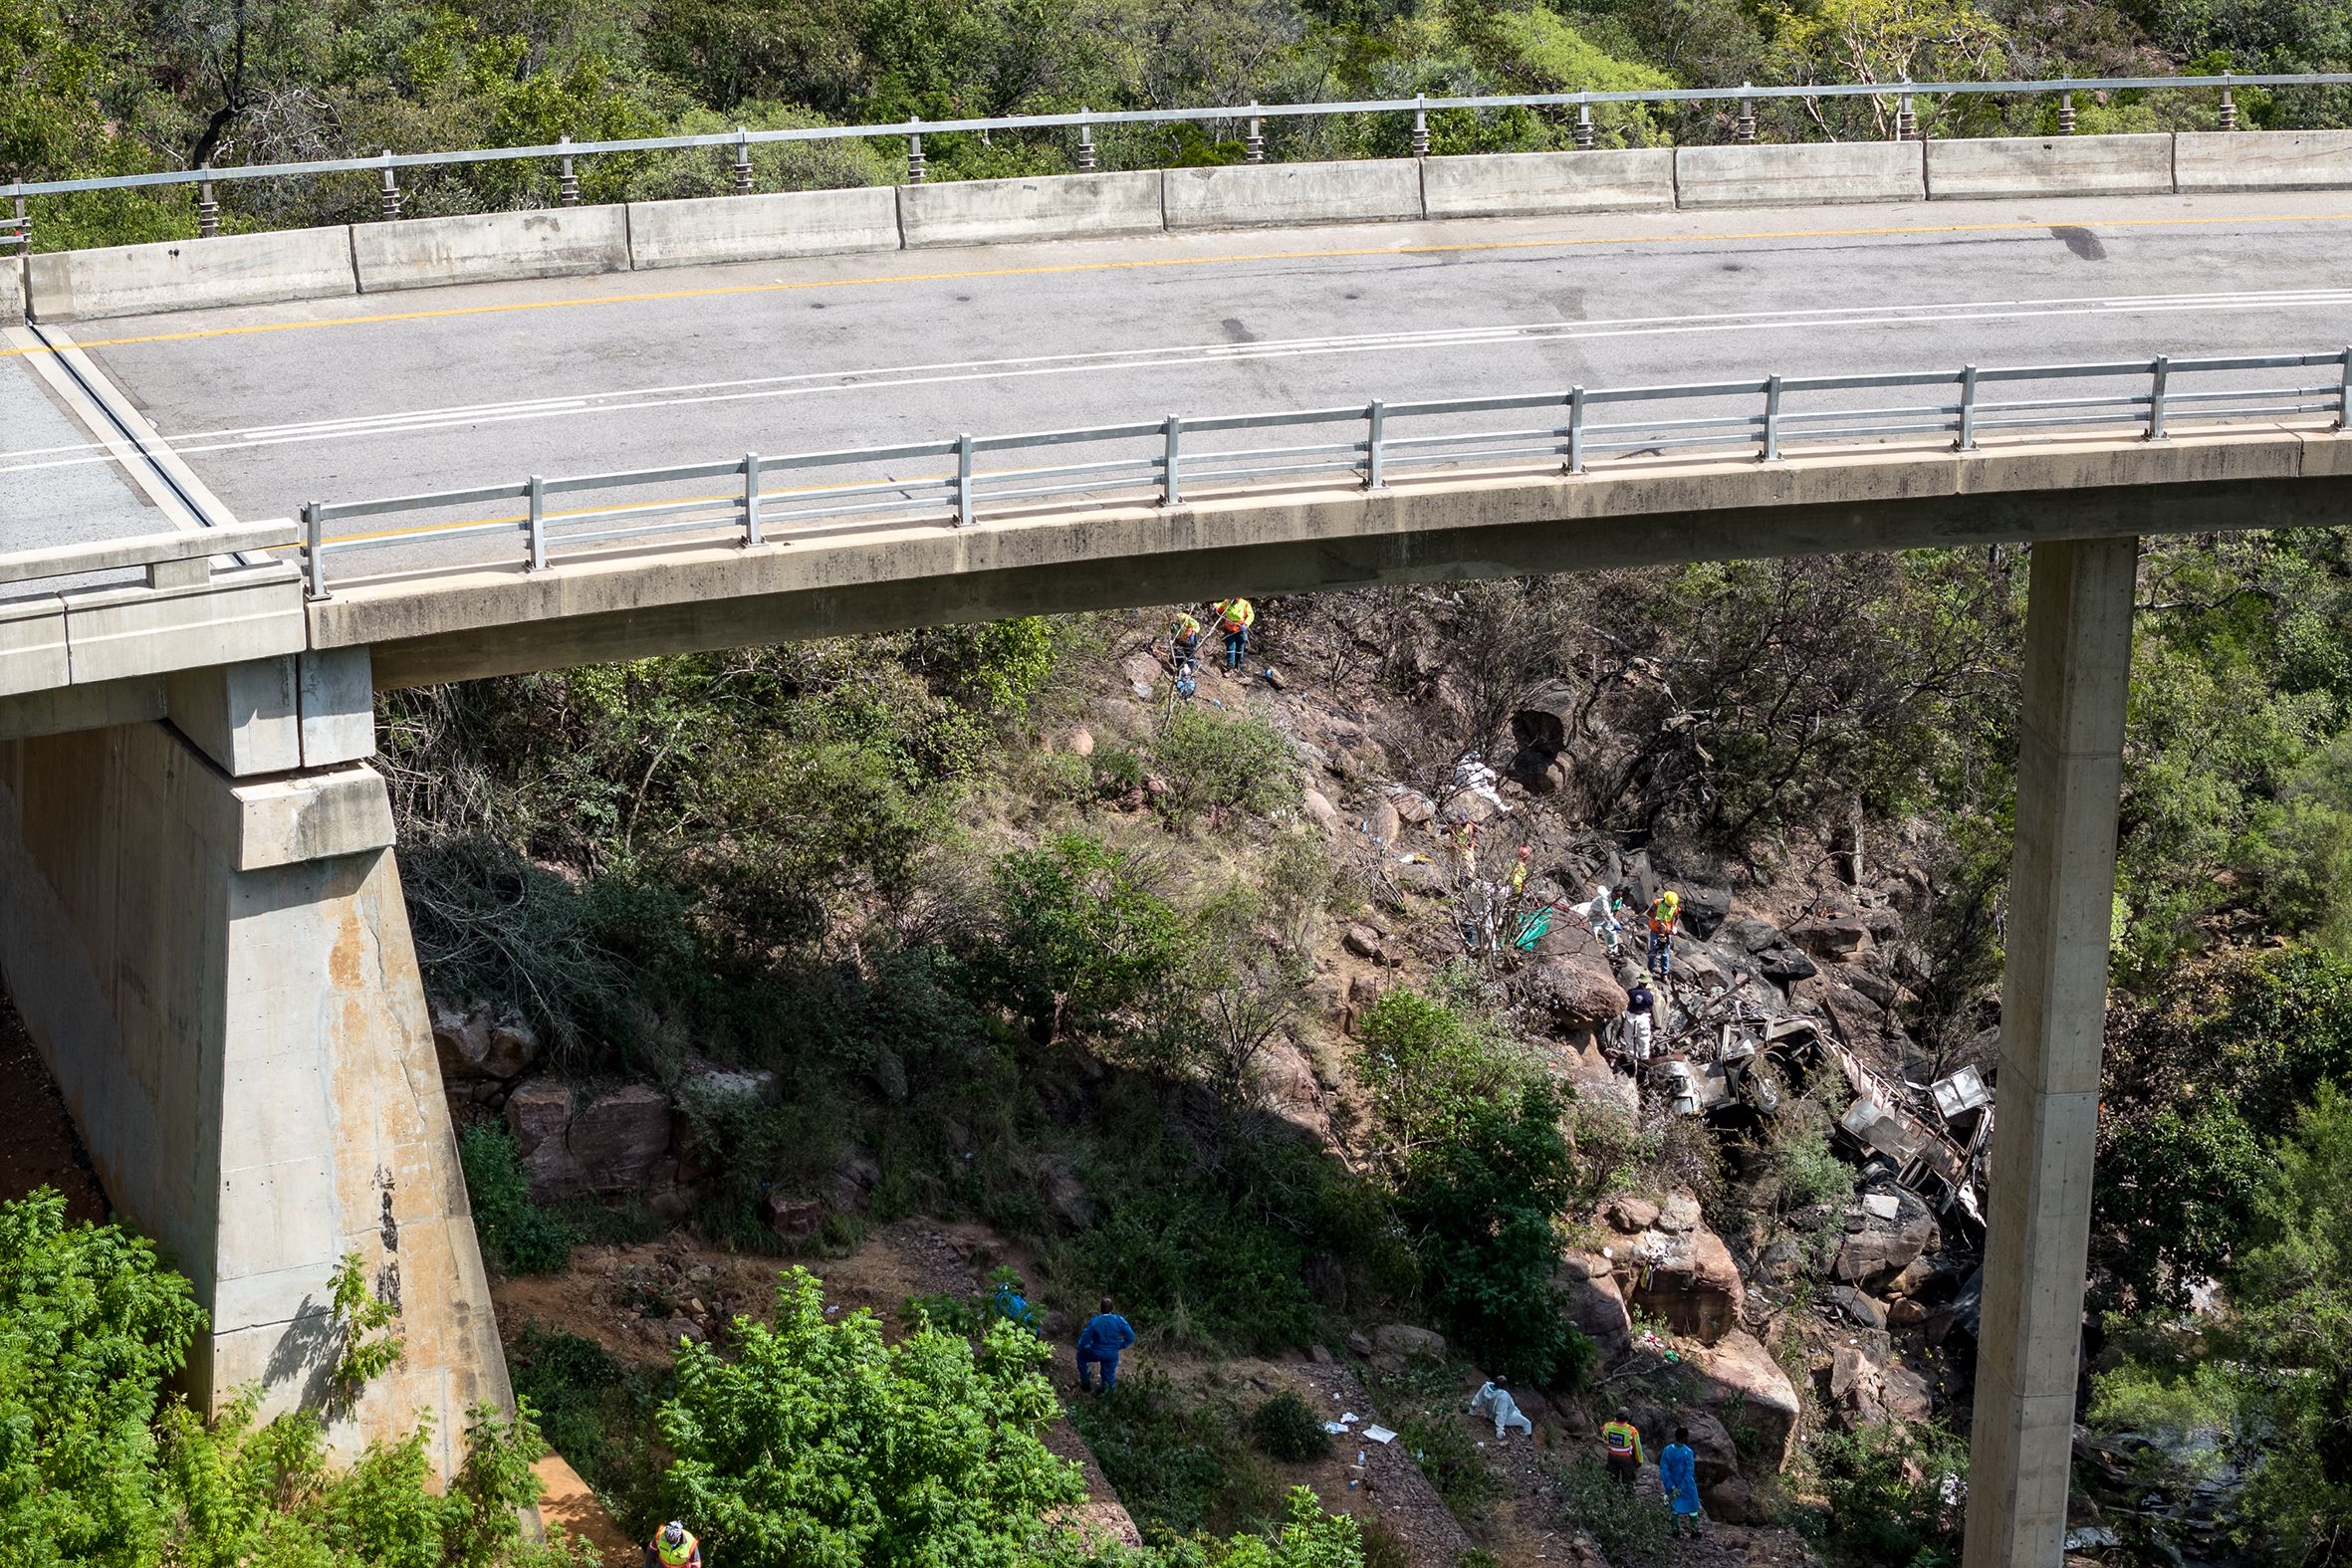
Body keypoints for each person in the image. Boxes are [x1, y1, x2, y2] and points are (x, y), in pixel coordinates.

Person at [1076, 1298, 1136, 1393]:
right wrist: (1120, 1345)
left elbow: (1084, 1339)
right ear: (1112, 1308)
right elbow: (1131, 1337)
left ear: (1100, 1308)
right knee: (1109, 1375)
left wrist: (1082, 1347)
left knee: (1081, 1357)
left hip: (1095, 1351)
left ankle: (1085, 1383)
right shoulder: (1119, 1320)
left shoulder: (1095, 1321)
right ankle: (1107, 1397)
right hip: (1111, 1353)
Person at [1659, 1426, 1703, 1536]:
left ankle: (1675, 1529)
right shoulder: (1688, 1452)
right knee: (1693, 1507)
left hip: (1671, 1484)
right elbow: (1689, 1472)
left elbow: (1664, 1470)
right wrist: (1681, 1487)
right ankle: (1694, 1530)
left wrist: (1671, 1485)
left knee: (1673, 1506)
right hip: (1687, 1486)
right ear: (1684, 1438)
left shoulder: (1667, 1450)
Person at [1469, 1378, 1534, 1441]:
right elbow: (1501, 1413)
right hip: (1508, 1417)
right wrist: (1499, 1430)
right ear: (1503, 1385)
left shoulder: (1486, 1386)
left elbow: (1477, 1398)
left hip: (1490, 1413)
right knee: (1527, 1423)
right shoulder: (1503, 1395)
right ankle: (1529, 1440)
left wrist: (1472, 1408)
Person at [1572, 882, 1622, 956]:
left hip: (1605, 917)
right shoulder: (1604, 899)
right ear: (1613, 892)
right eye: (1617, 896)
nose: (1618, 898)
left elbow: (1613, 910)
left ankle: (1613, 951)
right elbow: (1607, 912)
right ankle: (1591, 951)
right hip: (1595, 916)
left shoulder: (1617, 899)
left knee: (1611, 932)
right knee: (1593, 933)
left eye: (1619, 896)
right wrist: (1615, 922)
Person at [1601, 1411, 1645, 1492]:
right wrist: (1639, 1461)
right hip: (1626, 1459)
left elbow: (1604, 1436)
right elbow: (1637, 1447)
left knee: (1611, 1480)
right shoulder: (1632, 1430)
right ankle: (1628, 1501)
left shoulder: (1607, 1426)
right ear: (1627, 1419)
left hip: (1612, 1456)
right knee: (1628, 1483)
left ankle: (1609, 1501)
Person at [1645, 889, 1681, 980]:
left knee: (1664, 953)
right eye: (1668, 905)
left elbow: (1676, 918)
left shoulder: (1675, 907)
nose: (1669, 906)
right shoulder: (1657, 903)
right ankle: (1650, 967)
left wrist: (1675, 927)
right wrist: (1656, 917)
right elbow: (1649, 913)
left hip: (1665, 932)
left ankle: (1664, 973)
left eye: (1670, 905)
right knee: (1653, 948)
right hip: (1655, 929)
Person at [1212, 597, 1255, 671]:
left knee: (1240, 647)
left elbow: (1251, 616)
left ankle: (1238, 665)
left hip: (1240, 630)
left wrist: (1246, 624)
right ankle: (1230, 666)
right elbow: (1220, 607)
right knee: (1230, 647)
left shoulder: (1245, 604)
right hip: (1229, 629)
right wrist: (1215, 606)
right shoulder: (1227, 602)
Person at [1623, 980, 1655, 1064]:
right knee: (1644, 1038)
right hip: (1642, 1017)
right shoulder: (1649, 995)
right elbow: (1649, 1007)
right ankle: (1644, 1058)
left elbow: (1627, 1003)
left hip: (1630, 1016)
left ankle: (1631, 1055)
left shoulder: (1631, 992)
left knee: (1628, 1037)